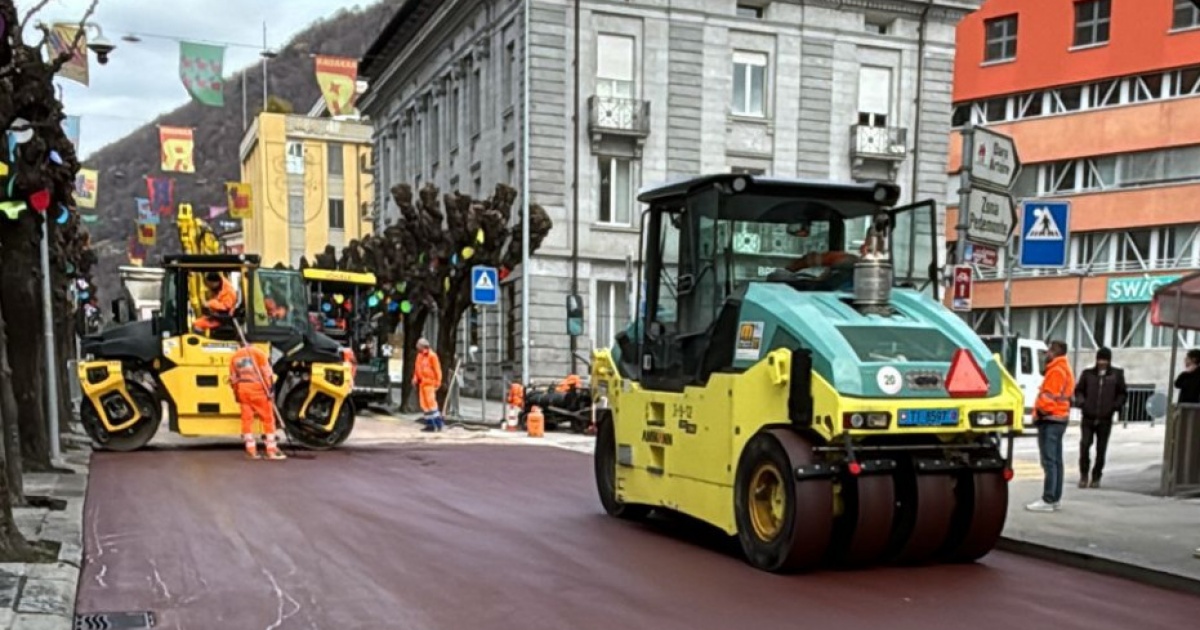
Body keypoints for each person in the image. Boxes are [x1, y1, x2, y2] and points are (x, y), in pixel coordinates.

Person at [1026, 339, 1075, 513]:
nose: (1047, 353)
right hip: (1059, 418)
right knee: (1056, 461)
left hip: (1051, 418)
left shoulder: (1056, 370)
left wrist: (1039, 413)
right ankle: (1055, 498)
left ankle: (1048, 499)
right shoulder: (1064, 368)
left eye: (1049, 350)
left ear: (1054, 352)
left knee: (1049, 461)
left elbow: (1048, 398)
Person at [1073, 347, 1127, 489]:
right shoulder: (1087, 374)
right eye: (1100, 360)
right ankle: (1084, 474)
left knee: (1101, 449)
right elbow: (1079, 390)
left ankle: (1096, 476)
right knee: (1085, 445)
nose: (1102, 363)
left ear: (1109, 361)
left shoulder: (1116, 375)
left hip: (1105, 418)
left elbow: (1122, 393)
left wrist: (1115, 406)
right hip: (1088, 417)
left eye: (1105, 360)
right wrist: (1082, 403)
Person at [229, 343, 285, 460]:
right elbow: (267, 373)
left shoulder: (235, 356)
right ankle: (271, 450)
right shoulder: (258, 353)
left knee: (246, 419)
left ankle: (251, 450)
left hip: (243, 389)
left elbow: (233, 378)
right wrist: (270, 390)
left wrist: (236, 393)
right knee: (268, 419)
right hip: (259, 389)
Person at [413, 338, 444, 432]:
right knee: (424, 405)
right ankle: (430, 425)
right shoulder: (419, 356)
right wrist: (415, 379)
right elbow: (417, 369)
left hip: (430, 383)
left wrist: (438, 383)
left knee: (431, 404)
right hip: (422, 383)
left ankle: (438, 424)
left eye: (418, 345)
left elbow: (437, 370)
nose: (417, 346)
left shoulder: (432, 356)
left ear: (422, 346)